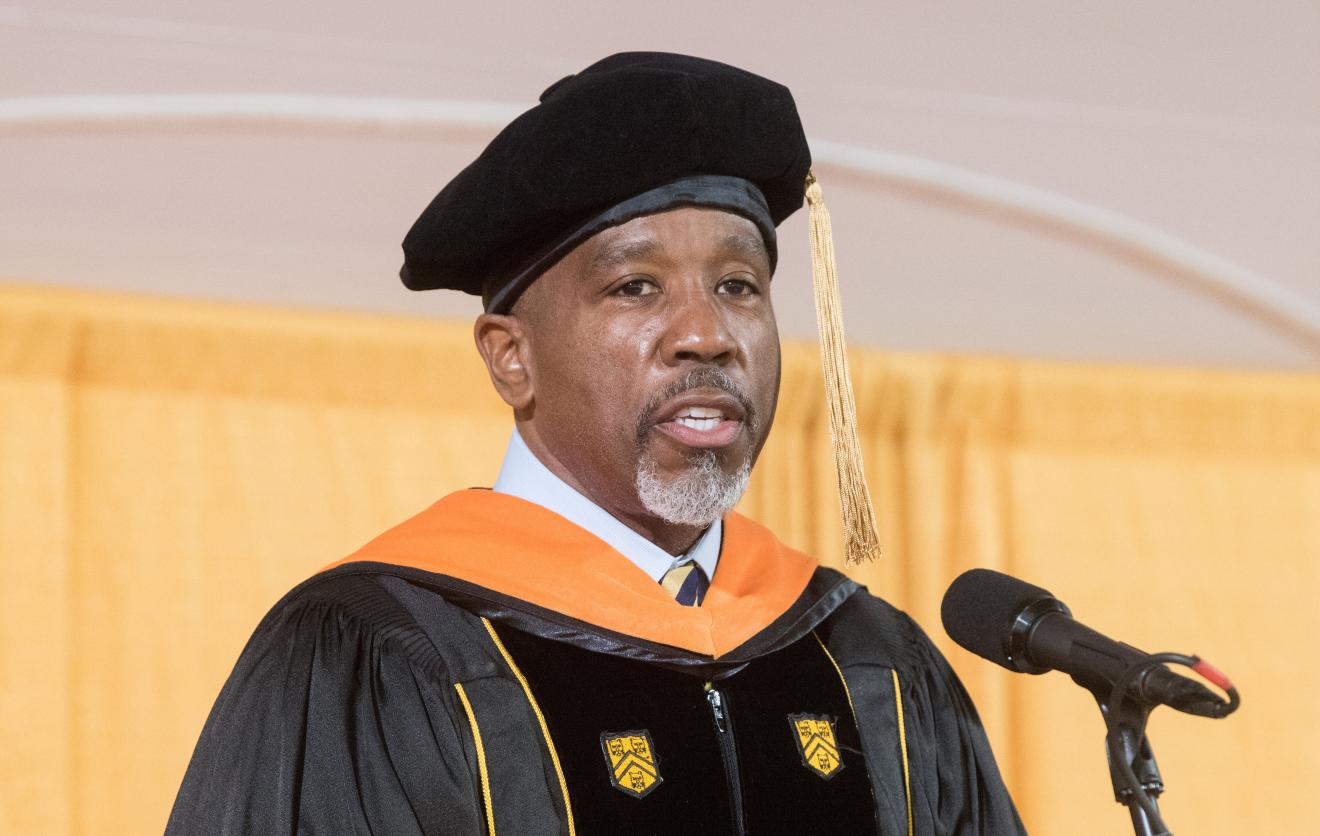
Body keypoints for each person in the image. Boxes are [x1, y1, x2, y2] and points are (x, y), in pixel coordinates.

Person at [166, 52, 1024, 835]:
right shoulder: (382, 654)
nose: (707, 335)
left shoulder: (866, 656)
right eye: (635, 286)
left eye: (737, 286)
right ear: (512, 357)